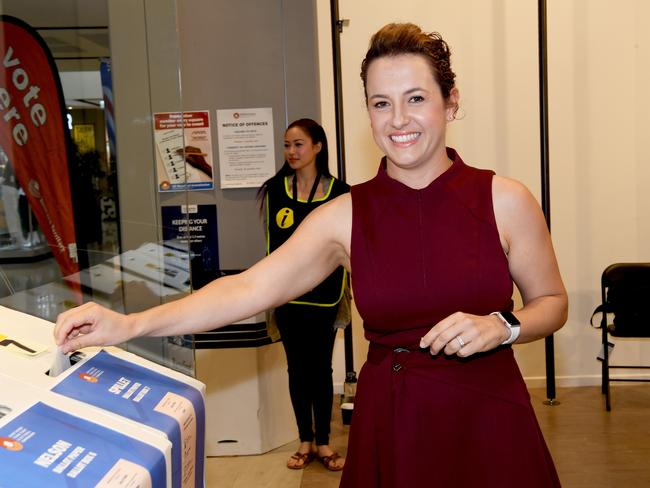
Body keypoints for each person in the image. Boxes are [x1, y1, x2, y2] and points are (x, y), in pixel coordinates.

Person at [54, 22, 568, 488]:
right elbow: (247, 289)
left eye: (416, 98)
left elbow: (551, 301)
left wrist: (504, 326)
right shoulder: (345, 215)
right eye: (381, 103)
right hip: (393, 424)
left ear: (450, 102)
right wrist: (128, 324)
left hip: (489, 418)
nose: (398, 119)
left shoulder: (505, 199)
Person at [257, 118, 349, 470]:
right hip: (286, 298)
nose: (291, 151)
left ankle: (324, 442)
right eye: (286, 145)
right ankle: (304, 440)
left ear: (317, 147)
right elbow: (272, 247)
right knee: (296, 369)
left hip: (325, 295)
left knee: (321, 369)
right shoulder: (275, 189)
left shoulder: (341, 192)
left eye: (298, 144)